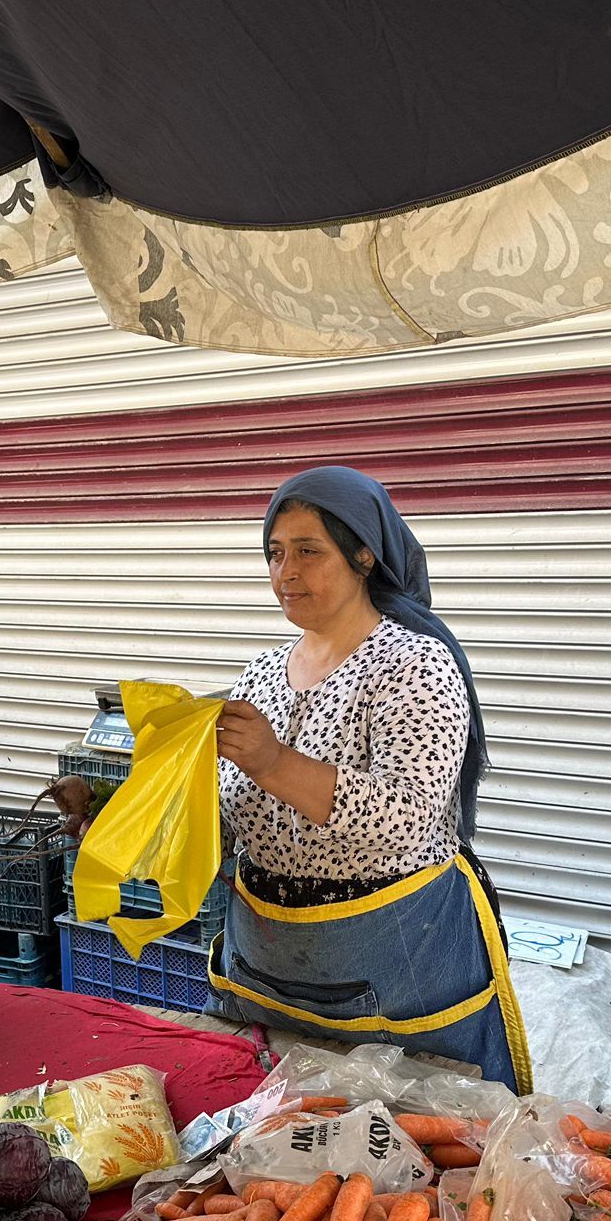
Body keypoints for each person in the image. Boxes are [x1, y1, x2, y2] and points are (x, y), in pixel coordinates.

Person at [209, 466, 529, 1089]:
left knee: (412, 1138)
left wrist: (276, 763)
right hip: (272, 964)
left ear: (363, 555)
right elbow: (231, 807)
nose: (286, 573)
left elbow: (405, 816)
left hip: (394, 958)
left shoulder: (414, 664)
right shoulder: (263, 672)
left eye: (309, 551)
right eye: (275, 553)